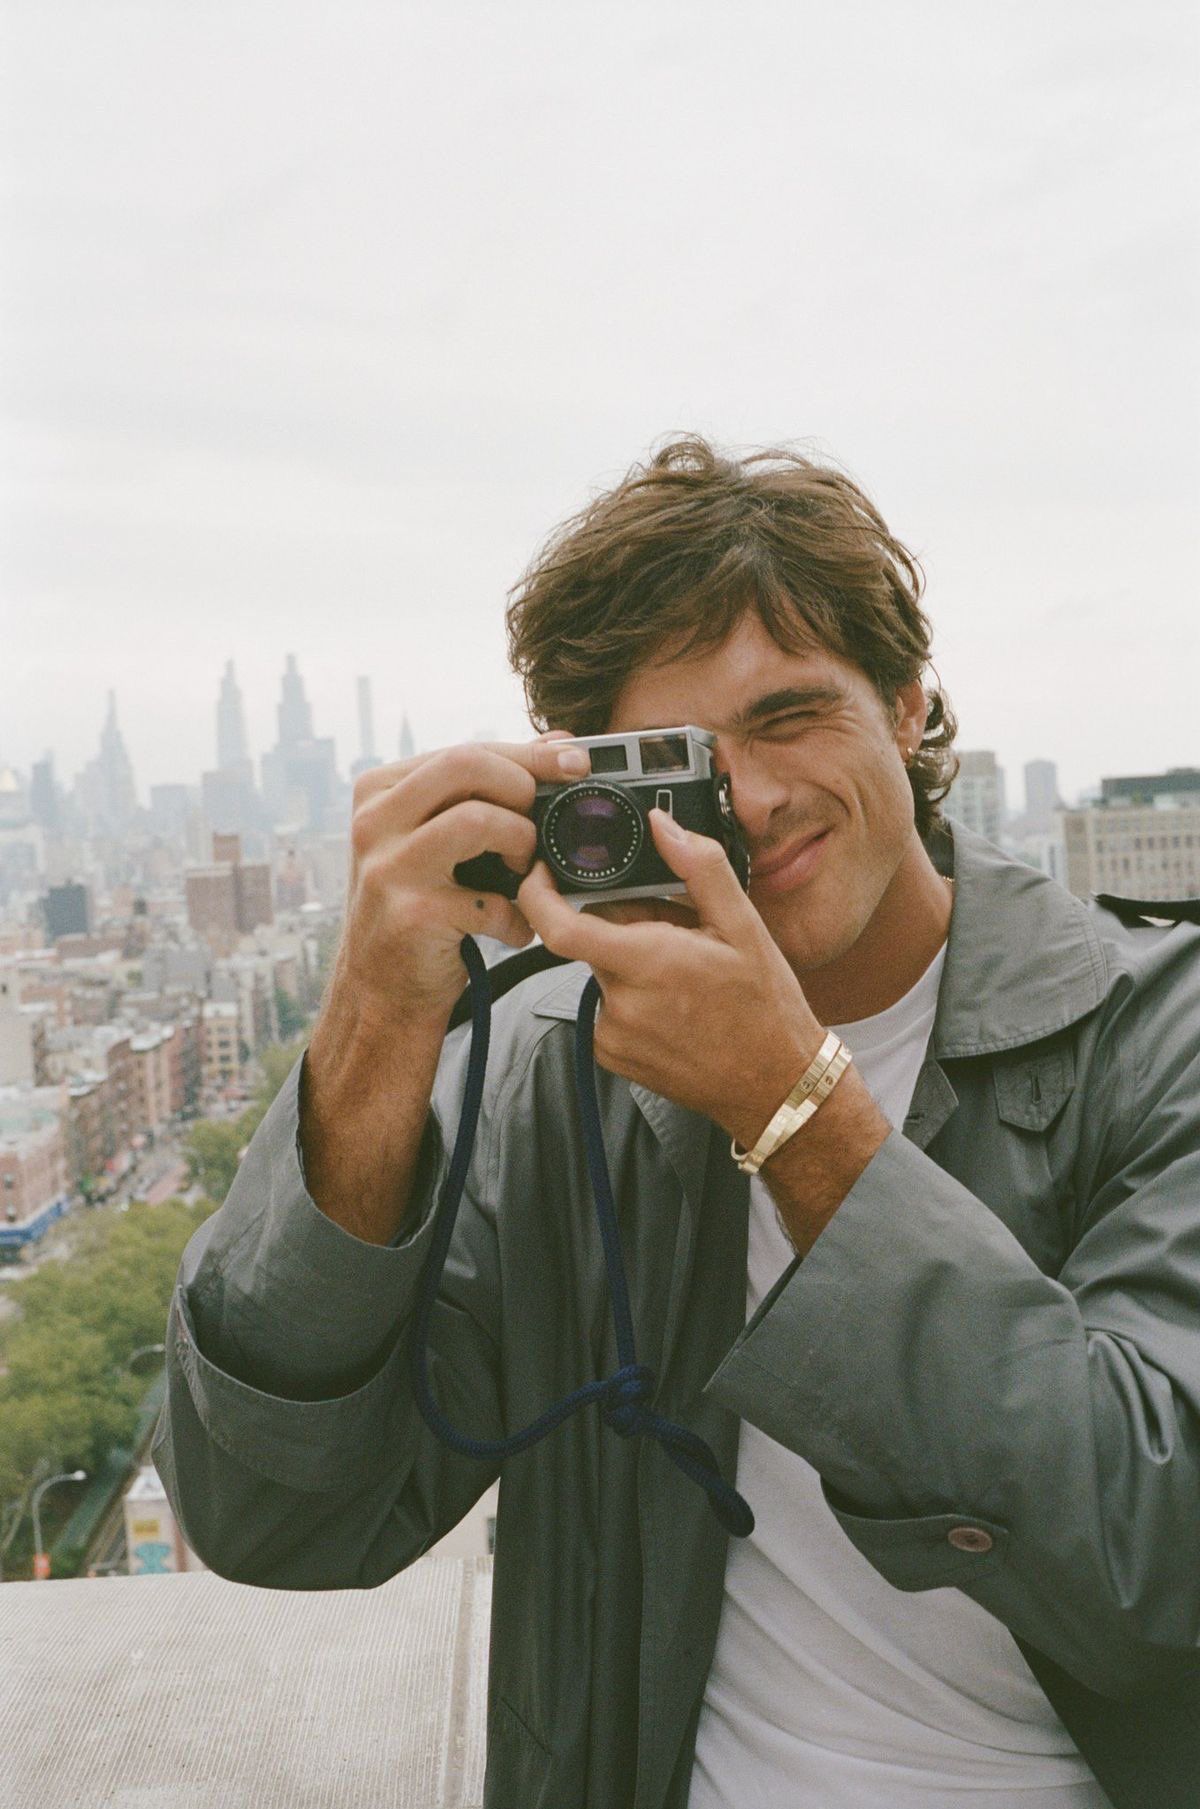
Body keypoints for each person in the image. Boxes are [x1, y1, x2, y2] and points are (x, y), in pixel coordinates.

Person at [155, 436, 1200, 1809]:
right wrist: (376, 1016)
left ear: (906, 706)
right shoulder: (559, 1068)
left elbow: (1155, 1562)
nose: (751, 804)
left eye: (791, 717)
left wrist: (792, 1106)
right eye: (684, 766)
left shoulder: (1160, 1032)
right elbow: (273, 1515)